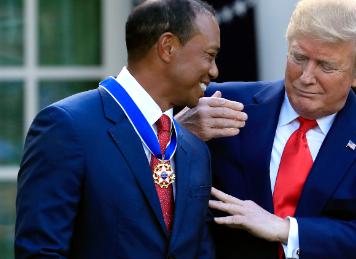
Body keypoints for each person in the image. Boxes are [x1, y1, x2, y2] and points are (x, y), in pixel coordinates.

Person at [176, 0, 356, 258]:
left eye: (326, 66)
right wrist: (178, 134)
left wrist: (288, 230)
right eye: (299, 57)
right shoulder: (224, 104)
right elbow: (156, 193)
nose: (306, 77)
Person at [15, 0, 220, 258]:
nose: (214, 71)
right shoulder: (67, 127)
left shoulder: (194, 150)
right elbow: (41, 252)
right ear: (167, 47)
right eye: (209, 56)